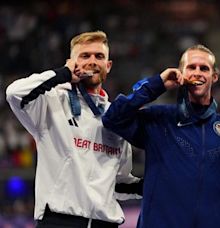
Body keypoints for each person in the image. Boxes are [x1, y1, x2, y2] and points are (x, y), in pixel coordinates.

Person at [6, 31, 142, 228]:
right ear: (71, 62)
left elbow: (119, 183)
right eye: (85, 56)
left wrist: (150, 184)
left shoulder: (117, 116)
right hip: (59, 222)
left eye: (99, 56)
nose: (92, 61)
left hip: (105, 224)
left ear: (108, 66)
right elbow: (14, 93)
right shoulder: (51, 102)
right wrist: (62, 74)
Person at [102, 44, 220, 227]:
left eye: (204, 68)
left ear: (214, 76)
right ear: (180, 73)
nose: (197, 72)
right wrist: (157, 84)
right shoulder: (159, 120)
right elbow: (113, 118)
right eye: (191, 67)